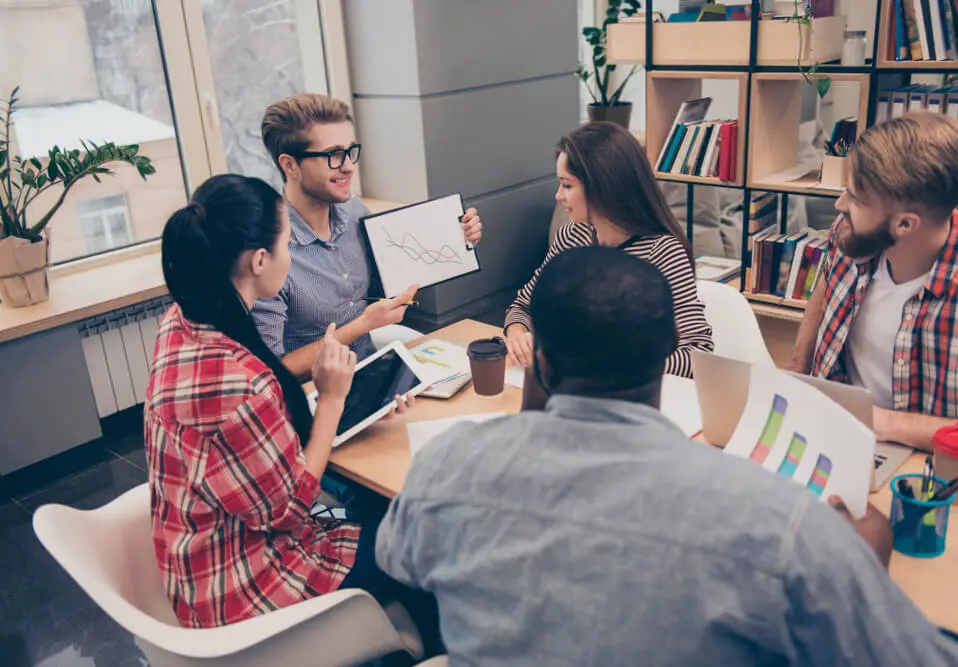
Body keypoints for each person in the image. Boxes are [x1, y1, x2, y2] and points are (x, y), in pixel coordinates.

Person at [375, 246, 958, 666]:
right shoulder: (782, 526)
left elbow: (398, 558)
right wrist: (864, 565)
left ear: (541, 363)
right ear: (669, 350)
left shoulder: (445, 466)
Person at [146, 175, 440, 652]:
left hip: (199, 560)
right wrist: (332, 402)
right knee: (424, 539)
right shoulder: (241, 384)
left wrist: (349, 404)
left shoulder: (182, 324)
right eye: (287, 243)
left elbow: (253, 450)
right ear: (259, 260)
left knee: (383, 515)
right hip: (247, 589)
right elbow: (290, 507)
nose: (292, 256)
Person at [789, 112, 958, 466]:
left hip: (935, 474)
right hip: (832, 446)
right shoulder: (851, 234)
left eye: (855, 198)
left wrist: (889, 424)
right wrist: (797, 370)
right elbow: (825, 287)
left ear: (905, 224)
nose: (840, 205)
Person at [253, 93, 483, 378]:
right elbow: (272, 371)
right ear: (289, 165)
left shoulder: (354, 211)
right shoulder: (268, 253)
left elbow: (388, 284)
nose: (349, 166)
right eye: (333, 155)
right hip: (314, 396)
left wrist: (455, 238)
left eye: (351, 151)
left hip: (371, 370)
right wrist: (362, 325)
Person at [503, 121, 712, 377]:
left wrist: (619, 367)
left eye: (567, 185)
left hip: (636, 399)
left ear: (602, 186)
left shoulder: (662, 252)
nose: (558, 195)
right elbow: (523, 306)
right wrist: (517, 334)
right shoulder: (573, 236)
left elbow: (698, 354)